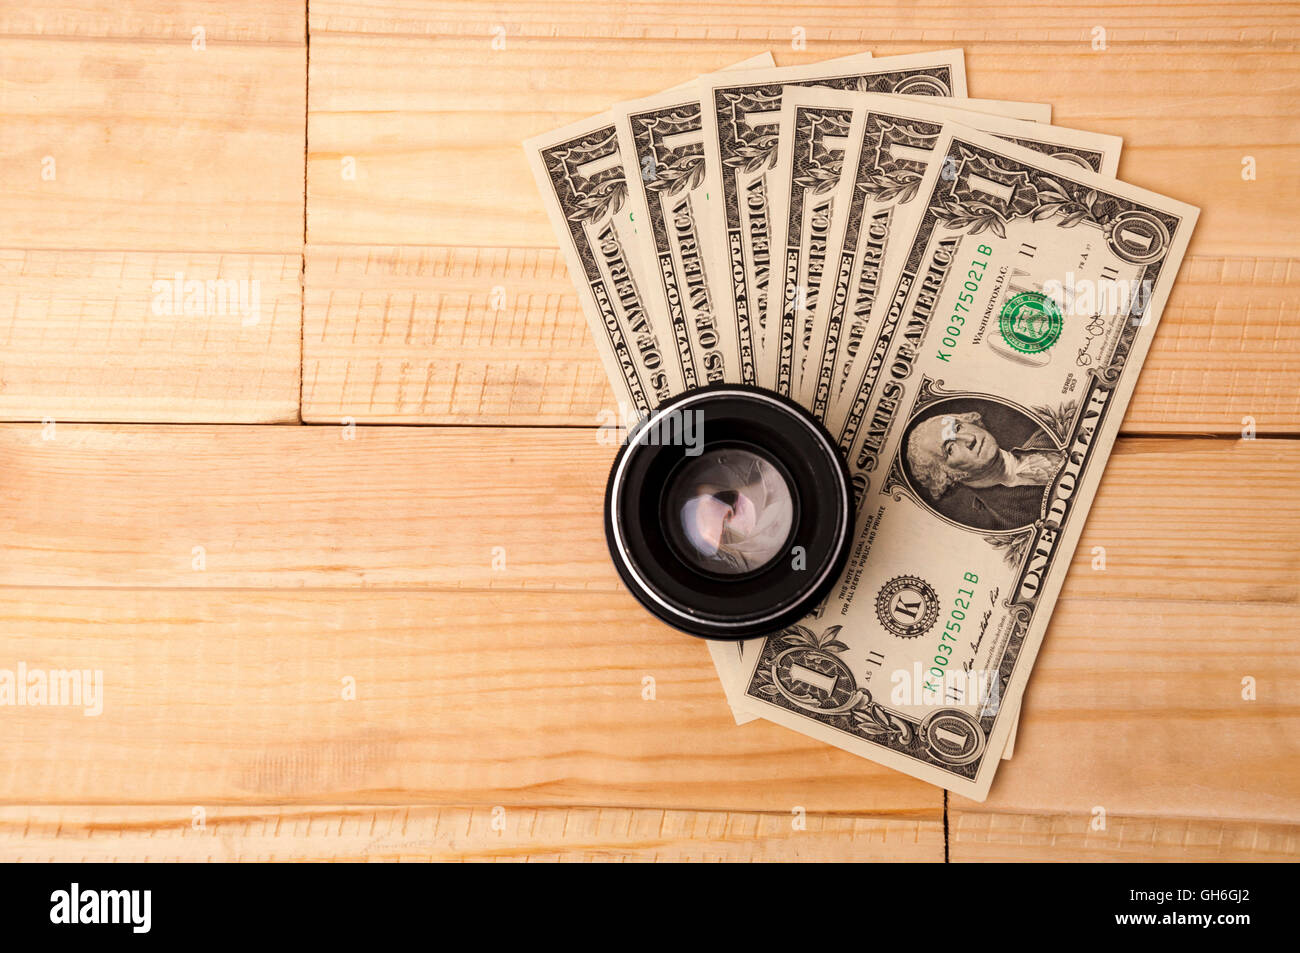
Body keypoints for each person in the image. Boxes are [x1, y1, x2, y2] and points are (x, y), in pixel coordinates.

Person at [905, 410, 1063, 532]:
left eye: (958, 427)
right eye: (951, 448)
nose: (969, 439)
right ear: (946, 475)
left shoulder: (1050, 435)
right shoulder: (1004, 522)